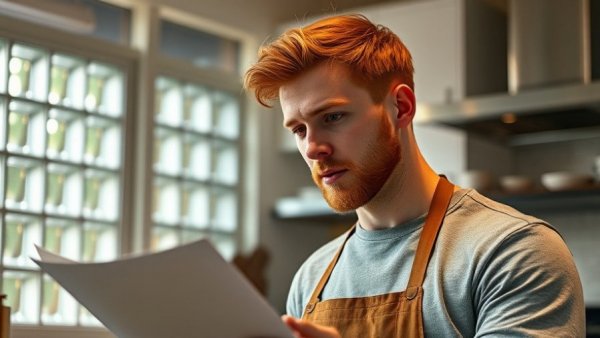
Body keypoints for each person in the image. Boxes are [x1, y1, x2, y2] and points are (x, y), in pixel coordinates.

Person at [244, 14, 585, 337]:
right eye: (299, 130)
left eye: (332, 117)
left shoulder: (511, 252)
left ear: (401, 108)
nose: (313, 147)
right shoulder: (312, 278)